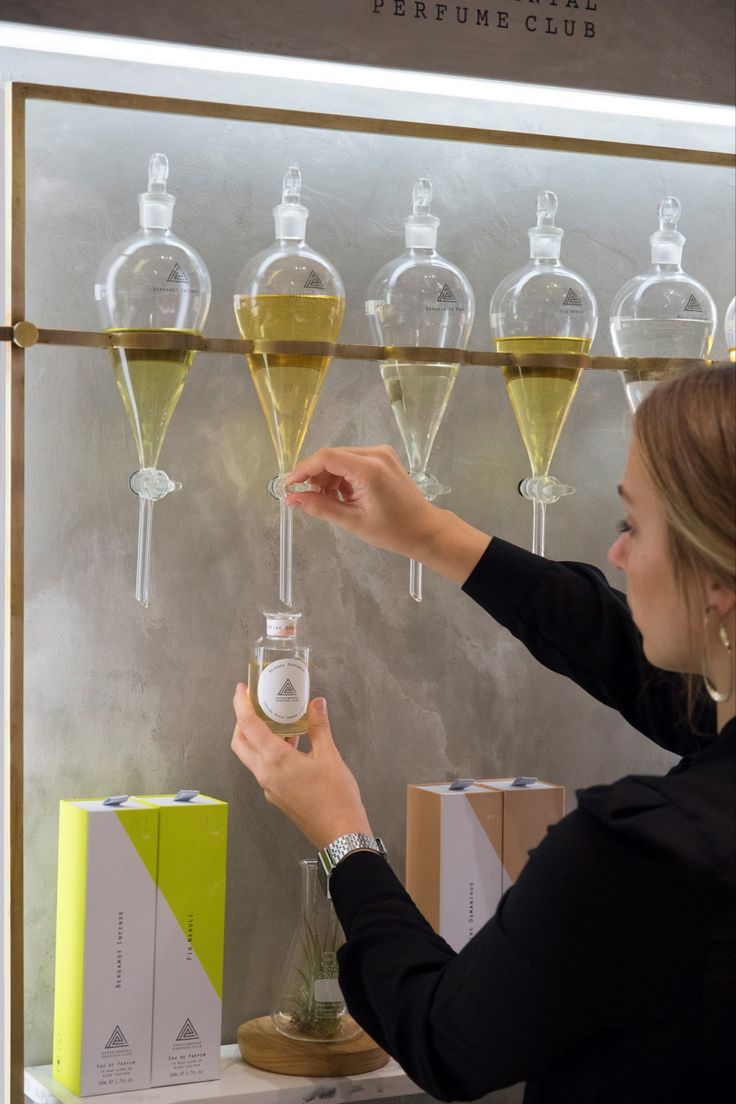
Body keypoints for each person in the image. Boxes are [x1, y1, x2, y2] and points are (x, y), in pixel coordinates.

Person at [231, 365, 735, 1104]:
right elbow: (638, 665)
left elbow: (446, 1038)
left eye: (631, 525)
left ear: (716, 581)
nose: (618, 557)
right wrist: (430, 532)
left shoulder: (644, 856)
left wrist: (342, 835)